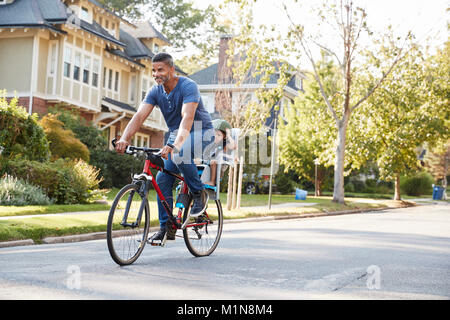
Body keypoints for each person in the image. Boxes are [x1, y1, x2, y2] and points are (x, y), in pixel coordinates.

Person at [114, 52, 214, 243]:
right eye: (153, 70)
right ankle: (166, 226)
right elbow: (139, 116)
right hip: (179, 134)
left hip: (202, 131)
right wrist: (125, 138)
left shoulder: (188, 86)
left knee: (181, 153)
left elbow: (188, 118)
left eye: (160, 69)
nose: (156, 74)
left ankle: (197, 192)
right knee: (161, 180)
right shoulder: (155, 91)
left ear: (171, 69)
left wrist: (173, 145)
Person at [203, 119, 236, 187]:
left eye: (219, 135)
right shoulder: (211, 144)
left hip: (220, 166)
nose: (216, 137)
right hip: (208, 163)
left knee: (213, 161)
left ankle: (212, 181)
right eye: (215, 134)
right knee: (194, 161)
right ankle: (189, 180)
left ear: (224, 137)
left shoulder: (225, 145)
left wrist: (229, 136)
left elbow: (234, 146)